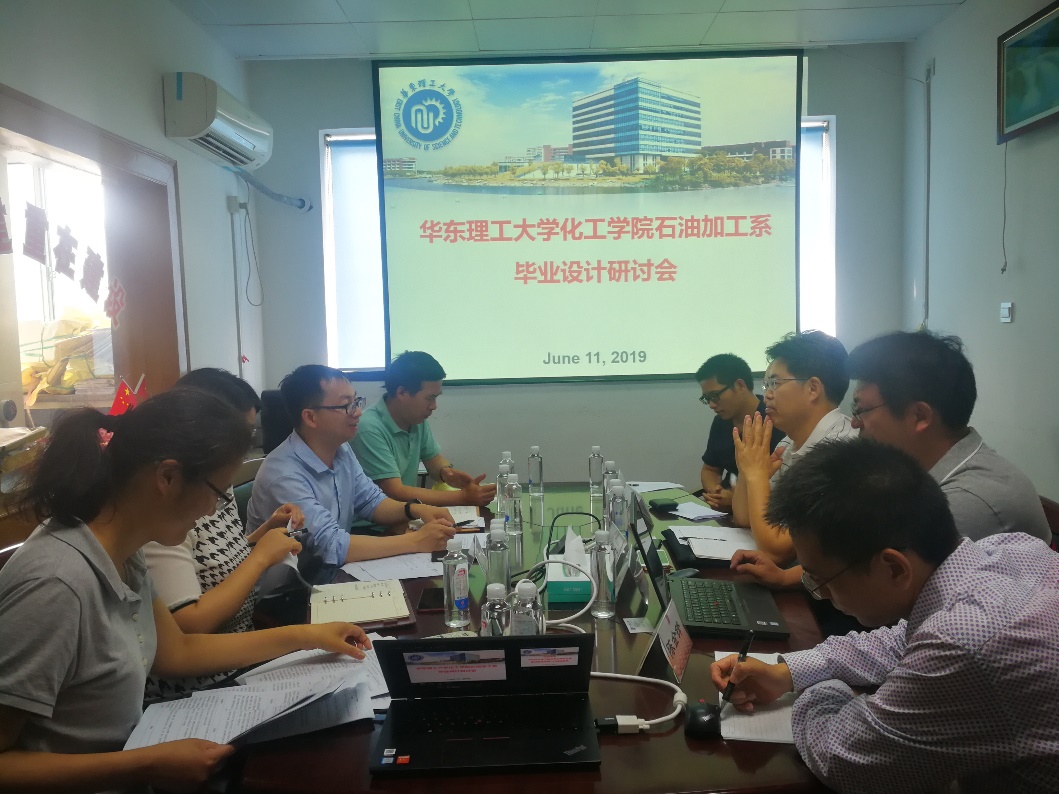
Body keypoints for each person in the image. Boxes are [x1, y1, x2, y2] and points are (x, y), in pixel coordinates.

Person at [0, 389, 371, 793]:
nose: (212, 511)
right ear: (167, 477)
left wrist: (307, 638)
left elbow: (177, 651)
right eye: (216, 492)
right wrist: (147, 764)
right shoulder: (56, 584)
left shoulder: (125, 550)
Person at [711, 438, 1059, 793]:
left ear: (893, 568)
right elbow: (901, 639)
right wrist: (787, 672)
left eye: (822, 579)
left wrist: (821, 689)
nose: (821, 593)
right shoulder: (1010, 548)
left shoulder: (967, 642)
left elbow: (843, 759)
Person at [142, 368, 308, 702]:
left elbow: (214, 561)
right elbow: (189, 624)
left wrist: (264, 533)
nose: (243, 447)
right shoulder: (168, 505)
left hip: (239, 656)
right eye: (239, 434)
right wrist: (260, 558)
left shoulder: (216, 480)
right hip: (200, 686)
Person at [247, 365, 457, 577]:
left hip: (328, 572)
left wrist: (416, 509)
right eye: (346, 405)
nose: (358, 412)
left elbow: (371, 502)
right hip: (288, 589)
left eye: (356, 401)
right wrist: (416, 541)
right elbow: (331, 545)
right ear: (311, 417)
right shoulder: (283, 474)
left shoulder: (341, 449)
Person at [847, 330, 1051, 544]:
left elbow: (862, 559)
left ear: (920, 416)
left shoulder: (967, 501)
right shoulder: (922, 472)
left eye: (861, 410)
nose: (854, 423)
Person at [730, 330, 855, 562]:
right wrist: (747, 470)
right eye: (766, 385)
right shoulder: (789, 442)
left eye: (774, 383)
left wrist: (757, 475)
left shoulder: (842, 450)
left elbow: (776, 548)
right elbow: (744, 517)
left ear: (813, 389)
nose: (766, 396)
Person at [350, 351, 495, 507]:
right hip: (376, 520)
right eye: (429, 398)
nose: (434, 406)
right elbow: (395, 492)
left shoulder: (416, 419)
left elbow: (433, 461)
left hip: (406, 514)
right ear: (402, 393)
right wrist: (463, 497)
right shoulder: (368, 428)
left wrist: (446, 472)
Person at [694, 353, 784, 512]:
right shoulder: (721, 422)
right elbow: (710, 469)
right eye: (706, 399)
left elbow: (781, 485)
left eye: (715, 396)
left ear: (740, 385)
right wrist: (715, 491)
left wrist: (736, 499)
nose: (712, 405)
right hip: (727, 512)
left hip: (764, 511)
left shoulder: (775, 420)